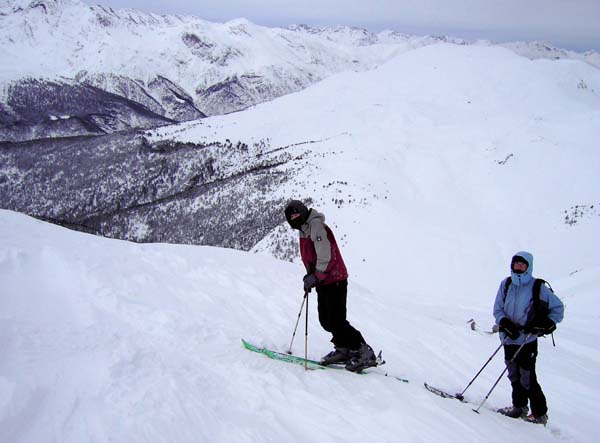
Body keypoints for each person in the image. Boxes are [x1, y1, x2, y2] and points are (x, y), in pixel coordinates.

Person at [284, 200, 376, 372]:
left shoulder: (315, 225)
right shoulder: (304, 229)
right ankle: (344, 348)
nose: (295, 218)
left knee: (336, 319)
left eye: (297, 214)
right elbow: (311, 255)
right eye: (292, 217)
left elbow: (325, 254)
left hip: (335, 279)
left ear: (303, 212)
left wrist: (316, 276)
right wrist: (311, 276)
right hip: (323, 280)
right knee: (326, 320)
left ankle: (364, 351)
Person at [493, 251, 564, 425]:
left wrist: (547, 324)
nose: (518, 266)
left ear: (528, 267)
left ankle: (540, 414)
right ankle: (519, 407)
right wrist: (504, 322)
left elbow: (558, 309)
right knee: (513, 375)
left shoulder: (537, 287)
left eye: (522, 264)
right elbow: (497, 309)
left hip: (527, 340)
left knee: (527, 377)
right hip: (508, 338)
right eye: (516, 263)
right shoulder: (506, 284)